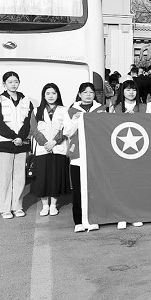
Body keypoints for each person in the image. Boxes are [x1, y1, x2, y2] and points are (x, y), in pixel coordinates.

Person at [0, 71, 33, 220]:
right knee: (4, 177)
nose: (13, 84)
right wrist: (14, 137)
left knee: (20, 177)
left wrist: (21, 137)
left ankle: (17, 206)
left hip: (21, 143)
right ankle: (4, 208)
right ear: (4, 84)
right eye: (10, 82)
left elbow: (28, 122)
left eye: (16, 81)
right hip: (4, 143)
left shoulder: (26, 100)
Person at [31, 83, 75, 217]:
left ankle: (53, 205)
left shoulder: (64, 110)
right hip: (43, 149)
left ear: (58, 95)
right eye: (48, 93)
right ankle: (45, 205)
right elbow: (34, 129)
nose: (51, 96)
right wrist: (45, 144)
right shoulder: (36, 111)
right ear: (43, 95)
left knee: (56, 177)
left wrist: (54, 142)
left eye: (54, 93)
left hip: (58, 148)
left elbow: (66, 128)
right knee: (42, 178)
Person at [67, 83, 104, 232]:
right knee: (77, 190)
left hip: (96, 155)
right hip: (78, 156)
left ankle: (94, 218)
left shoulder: (101, 109)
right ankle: (78, 221)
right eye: (85, 92)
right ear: (79, 94)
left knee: (95, 189)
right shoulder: (71, 110)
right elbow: (67, 132)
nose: (88, 95)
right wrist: (76, 120)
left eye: (91, 92)